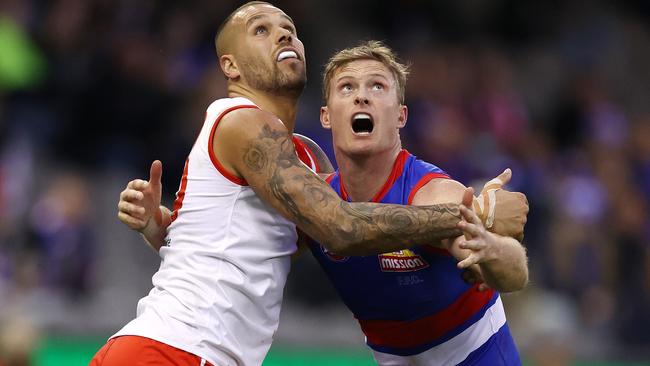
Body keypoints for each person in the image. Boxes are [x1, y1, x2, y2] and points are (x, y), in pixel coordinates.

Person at [91, 2, 527, 366]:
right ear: (230, 65)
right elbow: (340, 227)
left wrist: (158, 228)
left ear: (401, 116)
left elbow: (249, 246)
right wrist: (477, 214)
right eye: (261, 30)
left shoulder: (306, 167)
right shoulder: (242, 122)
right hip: (178, 350)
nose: (283, 36)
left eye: (290, 29)